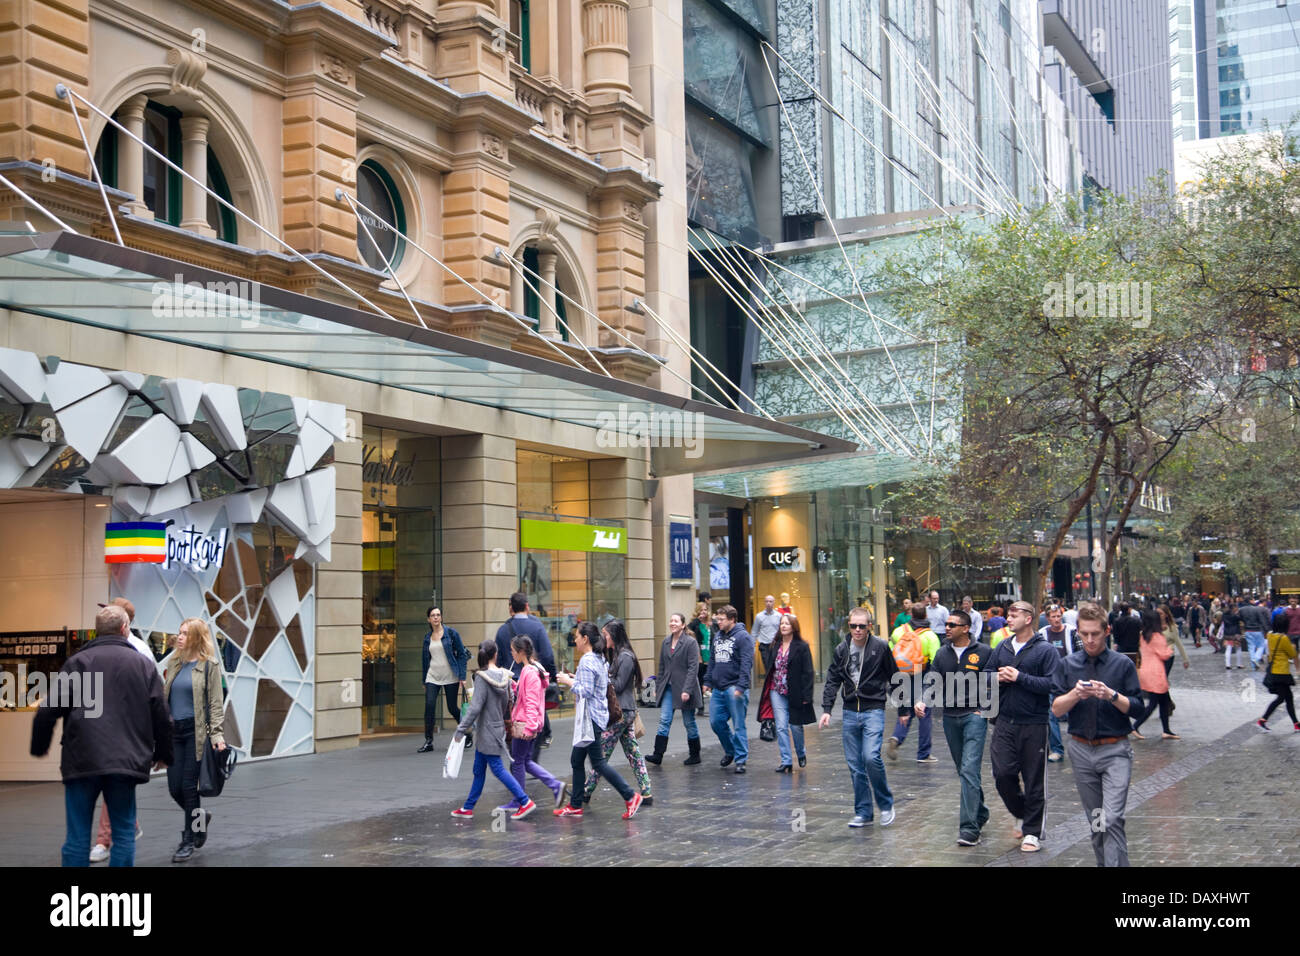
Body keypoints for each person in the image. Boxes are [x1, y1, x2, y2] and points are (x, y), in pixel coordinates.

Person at [31, 604, 172, 867]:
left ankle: (74, 902)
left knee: (77, 837)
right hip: (125, 760)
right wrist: (163, 754)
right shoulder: (141, 664)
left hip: (82, 758)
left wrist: (39, 746)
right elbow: (161, 714)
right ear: (124, 629)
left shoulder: (77, 663)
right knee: (123, 833)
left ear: (97, 631)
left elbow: (48, 710)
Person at [1051, 602, 1142, 867]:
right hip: (1080, 750)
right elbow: (1056, 710)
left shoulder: (1122, 664)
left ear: (1107, 631)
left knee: (1112, 818)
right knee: (1098, 821)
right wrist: (1075, 694)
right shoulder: (1068, 664)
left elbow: (1137, 708)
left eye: (1096, 634)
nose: (1090, 640)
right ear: (1077, 632)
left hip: (1115, 750)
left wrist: (1112, 695)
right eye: (1084, 634)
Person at [982, 600, 1062, 853]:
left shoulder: (1045, 650)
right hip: (1004, 721)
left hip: (1034, 723)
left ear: (1028, 619)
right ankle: (1022, 813)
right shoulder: (1003, 646)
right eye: (1008, 615)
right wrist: (996, 677)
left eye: (1014, 615)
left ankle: (1032, 832)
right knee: (1002, 775)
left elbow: (1053, 684)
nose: (1009, 619)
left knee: (1033, 779)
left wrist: (1020, 677)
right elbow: (984, 674)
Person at [820, 606, 897, 828]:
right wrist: (826, 709)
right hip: (850, 711)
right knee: (855, 765)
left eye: (862, 626)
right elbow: (833, 679)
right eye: (853, 626)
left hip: (873, 709)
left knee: (871, 757)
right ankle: (864, 812)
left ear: (869, 627)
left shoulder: (881, 647)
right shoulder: (841, 649)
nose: (857, 630)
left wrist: (904, 708)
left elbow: (893, 676)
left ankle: (885, 804)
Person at [554, 623, 642, 818]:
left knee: (598, 763)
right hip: (596, 717)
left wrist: (568, 681)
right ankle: (575, 804)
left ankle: (630, 795)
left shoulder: (587, 660)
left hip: (591, 720)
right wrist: (575, 678)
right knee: (576, 760)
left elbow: (585, 690)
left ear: (585, 638)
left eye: (577, 636)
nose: (574, 640)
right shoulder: (598, 658)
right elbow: (595, 683)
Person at [89, 597, 152, 864]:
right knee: (113, 782)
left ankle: (104, 840)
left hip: (126, 729)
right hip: (102, 725)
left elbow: (152, 694)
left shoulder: (139, 650)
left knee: (112, 779)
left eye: (109, 612)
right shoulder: (94, 648)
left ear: (123, 621)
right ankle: (129, 824)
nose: (104, 615)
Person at [159, 618, 227, 862]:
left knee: (189, 788)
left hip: (195, 734)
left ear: (197, 637)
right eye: (179, 632)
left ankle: (188, 840)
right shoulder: (174, 662)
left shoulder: (210, 666)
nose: (179, 637)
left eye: (185, 633)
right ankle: (200, 819)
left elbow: (215, 705)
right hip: (173, 733)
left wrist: (217, 735)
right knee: (174, 788)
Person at [925, 609, 992, 845]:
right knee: (963, 770)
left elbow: (992, 683)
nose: (947, 628)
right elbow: (932, 679)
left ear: (966, 628)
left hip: (974, 717)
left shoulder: (983, 652)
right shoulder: (942, 654)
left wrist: (985, 711)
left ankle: (969, 828)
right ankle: (981, 812)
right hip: (950, 718)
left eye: (953, 624)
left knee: (970, 769)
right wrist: (924, 699)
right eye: (947, 624)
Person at [449, 641, 536, 821]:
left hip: (485, 730)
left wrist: (461, 729)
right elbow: (507, 702)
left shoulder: (481, 677)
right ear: (495, 654)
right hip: (496, 728)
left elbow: (475, 708)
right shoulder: (505, 676)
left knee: (497, 769)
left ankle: (525, 801)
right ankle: (468, 807)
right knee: (478, 769)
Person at [581, 620, 652, 806]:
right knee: (632, 752)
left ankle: (586, 791)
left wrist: (602, 677)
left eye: (606, 634)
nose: (603, 638)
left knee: (601, 753)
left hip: (622, 712)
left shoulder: (626, 657)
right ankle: (646, 791)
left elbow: (619, 685)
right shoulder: (617, 655)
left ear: (614, 635)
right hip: (623, 712)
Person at [504, 635, 566, 810]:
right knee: (525, 761)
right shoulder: (535, 669)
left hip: (525, 723)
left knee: (518, 762)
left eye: (513, 651)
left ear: (521, 652)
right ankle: (554, 785)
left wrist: (530, 726)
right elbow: (531, 695)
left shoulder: (528, 672)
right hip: (530, 722)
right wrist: (516, 687)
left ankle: (519, 800)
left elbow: (531, 701)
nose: (512, 654)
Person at [495, 592, 556, 746]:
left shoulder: (503, 630)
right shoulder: (537, 626)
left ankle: (517, 742)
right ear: (527, 606)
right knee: (533, 706)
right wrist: (551, 676)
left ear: (512, 608)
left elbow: (498, 659)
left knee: (515, 716)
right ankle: (537, 739)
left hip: (511, 681)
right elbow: (548, 655)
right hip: (531, 676)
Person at [885, 605, 940, 763]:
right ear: (925, 615)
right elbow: (935, 661)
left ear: (911, 615)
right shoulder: (930, 636)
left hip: (901, 675)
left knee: (906, 709)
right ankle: (924, 754)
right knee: (924, 713)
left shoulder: (899, 632)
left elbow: (891, 652)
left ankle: (897, 736)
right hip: (920, 674)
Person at [702, 605, 754, 773]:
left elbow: (747, 663)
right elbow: (712, 661)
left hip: (735, 687)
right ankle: (731, 750)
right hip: (718, 688)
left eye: (721, 619)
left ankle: (741, 759)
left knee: (739, 725)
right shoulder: (717, 636)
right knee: (716, 722)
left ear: (732, 619)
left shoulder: (743, 637)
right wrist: (708, 681)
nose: (718, 621)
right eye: (717, 618)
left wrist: (741, 686)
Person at [646, 612, 701, 766]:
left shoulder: (690, 642)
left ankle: (695, 754)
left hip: (685, 689)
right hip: (669, 688)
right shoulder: (665, 642)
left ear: (683, 625)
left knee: (689, 722)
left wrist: (687, 690)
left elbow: (693, 668)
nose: (673, 623)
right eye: (671, 621)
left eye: (676, 621)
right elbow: (662, 667)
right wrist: (658, 687)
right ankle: (658, 755)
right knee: (664, 720)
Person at [770, 613, 815, 772]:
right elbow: (772, 667)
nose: (783, 626)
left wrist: (807, 696)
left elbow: (808, 672)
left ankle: (801, 752)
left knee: (795, 727)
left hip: (795, 691)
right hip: (777, 691)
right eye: (781, 623)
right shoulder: (776, 644)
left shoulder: (802, 646)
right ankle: (786, 760)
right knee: (781, 727)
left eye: (787, 624)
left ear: (793, 627)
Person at [419, 606, 468, 753]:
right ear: (428, 619)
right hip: (432, 676)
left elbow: (461, 654)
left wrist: (462, 676)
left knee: (452, 708)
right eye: (433, 615)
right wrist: (424, 680)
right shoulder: (427, 638)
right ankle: (428, 741)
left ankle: (467, 733)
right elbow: (424, 660)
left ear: (441, 617)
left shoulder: (451, 634)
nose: (436, 617)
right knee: (429, 706)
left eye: (438, 615)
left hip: (450, 676)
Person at [1129, 609, 1178, 740]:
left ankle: (1166, 730)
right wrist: (1169, 650)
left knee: (1162, 702)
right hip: (1156, 672)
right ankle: (1135, 725)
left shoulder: (1143, 635)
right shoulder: (1157, 637)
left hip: (1146, 670)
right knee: (1154, 703)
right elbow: (1165, 654)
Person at [1038, 605, 1078, 764]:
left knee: (1075, 713)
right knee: (1051, 715)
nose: (1056, 620)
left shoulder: (1071, 631)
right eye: (1053, 617)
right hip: (1051, 680)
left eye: (1058, 616)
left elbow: (1080, 654)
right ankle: (1057, 749)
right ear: (1047, 618)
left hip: (1070, 679)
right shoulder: (1042, 634)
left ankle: (1078, 746)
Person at [1257, 627, 1299, 732]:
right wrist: (1293, 646)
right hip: (1281, 672)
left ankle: (1296, 723)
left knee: (1288, 697)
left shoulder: (1270, 636)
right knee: (1282, 698)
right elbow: (1292, 654)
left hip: (1274, 671)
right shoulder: (1283, 638)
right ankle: (1263, 720)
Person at [687, 601, 711, 716]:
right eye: (701, 610)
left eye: (705, 610)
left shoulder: (711, 624)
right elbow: (687, 631)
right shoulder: (695, 624)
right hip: (699, 656)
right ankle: (700, 707)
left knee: (710, 681)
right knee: (700, 681)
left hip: (710, 655)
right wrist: (697, 620)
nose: (703, 612)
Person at [1239, 597, 1271, 671]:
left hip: (1247, 630)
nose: (1254, 601)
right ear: (1250, 601)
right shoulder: (1256, 609)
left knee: (1251, 647)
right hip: (1257, 630)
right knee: (1261, 645)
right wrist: (1266, 629)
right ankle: (1256, 658)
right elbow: (1261, 620)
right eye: (1253, 599)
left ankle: (1254, 665)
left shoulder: (1241, 610)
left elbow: (1240, 618)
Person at [752, 594, 781, 670]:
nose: (768, 603)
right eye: (767, 601)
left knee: (777, 666)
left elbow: (781, 631)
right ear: (764, 603)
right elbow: (754, 631)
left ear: (774, 602)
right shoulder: (759, 616)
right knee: (767, 666)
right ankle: (769, 682)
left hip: (776, 644)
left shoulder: (779, 616)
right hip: (764, 645)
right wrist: (752, 646)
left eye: (770, 601)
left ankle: (776, 681)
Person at [1219, 598, 1243, 669]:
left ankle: (1228, 664)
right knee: (1238, 648)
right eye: (1236, 607)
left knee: (1228, 649)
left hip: (1227, 634)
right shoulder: (1235, 615)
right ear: (1234, 608)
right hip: (1236, 633)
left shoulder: (1224, 615)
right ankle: (1239, 664)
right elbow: (1240, 619)